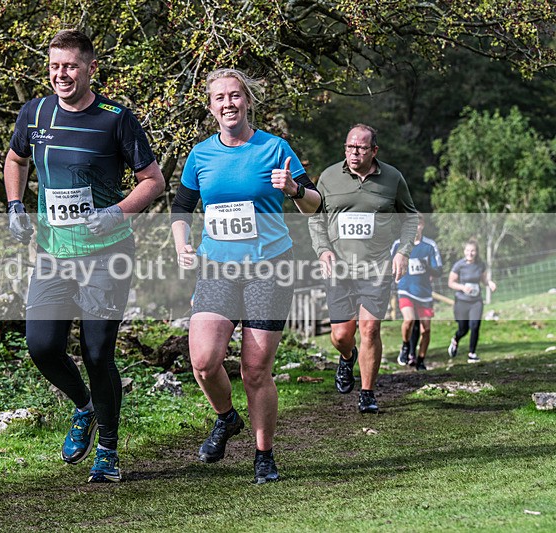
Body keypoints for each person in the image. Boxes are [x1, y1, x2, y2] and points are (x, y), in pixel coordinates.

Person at [3, 29, 165, 483]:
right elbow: (15, 160)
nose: (61, 74)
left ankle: (109, 451)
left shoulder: (116, 119)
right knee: (42, 346)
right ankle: (85, 407)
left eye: (70, 66)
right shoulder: (34, 113)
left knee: (97, 353)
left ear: (91, 68)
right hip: (54, 253)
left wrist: (116, 213)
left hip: (107, 254)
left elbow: (153, 181)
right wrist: (16, 205)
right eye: (55, 66)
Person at [170, 68, 321, 484]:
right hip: (217, 268)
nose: (229, 104)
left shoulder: (275, 148)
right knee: (203, 362)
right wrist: (182, 244)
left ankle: (264, 456)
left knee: (255, 369)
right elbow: (181, 210)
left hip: (269, 269)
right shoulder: (200, 155)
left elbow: (315, 203)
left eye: (235, 96)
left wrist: (293, 189)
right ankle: (226, 417)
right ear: (211, 107)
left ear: (248, 101)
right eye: (220, 98)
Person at [308, 124, 417, 414]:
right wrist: (323, 250)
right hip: (339, 269)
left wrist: (403, 252)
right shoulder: (329, 177)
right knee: (342, 335)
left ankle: (367, 392)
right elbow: (315, 218)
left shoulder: (392, 178)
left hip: (377, 266)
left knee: (370, 328)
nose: (354, 153)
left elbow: (410, 218)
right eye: (349, 147)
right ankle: (347, 357)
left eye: (360, 148)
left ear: (374, 151)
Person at [391, 214, 443, 370]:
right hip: (405, 289)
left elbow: (438, 270)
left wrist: (428, 267)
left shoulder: (429, 246)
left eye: (418, 224)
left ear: (422, 225)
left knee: (425, 329)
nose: (415, 228)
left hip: (424, 292)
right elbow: (388, 265)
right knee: (409, 320)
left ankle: (421, 359)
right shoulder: (398, 245)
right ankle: (406, 345)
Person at [447, 239, 497, 363]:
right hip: (462, 301)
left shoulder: (480, 264)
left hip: (476, 301)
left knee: (475, 325)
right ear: (464, 251)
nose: (470, 253)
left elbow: (483, 279)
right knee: (463, 329)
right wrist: (463, 287)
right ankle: (455, 339)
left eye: (473, 251)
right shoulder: (459, 265)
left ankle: (472, 354)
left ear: (476, 252)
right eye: (468, 250)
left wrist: (489, 283)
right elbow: (451, 283)